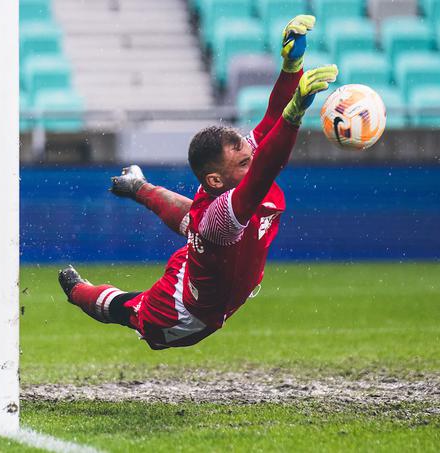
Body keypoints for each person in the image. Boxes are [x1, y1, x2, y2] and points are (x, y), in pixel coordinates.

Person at [58, 15, 337, 350]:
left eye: (244, 144)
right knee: (129, 310)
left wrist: (292, 65)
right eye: (239, 152)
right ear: (215, 178)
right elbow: (267, 166)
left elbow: (270, 121)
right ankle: (78, 293)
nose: (249, 148)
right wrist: (295, 115)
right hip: (182, 313)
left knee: (192, 221)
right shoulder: (223, 214)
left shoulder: (236, 168)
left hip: (200, 264)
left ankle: (138, 187)